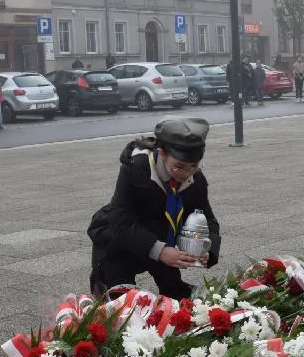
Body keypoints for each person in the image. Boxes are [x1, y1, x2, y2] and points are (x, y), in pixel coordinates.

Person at [87, 117, 220, 299]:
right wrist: (161, 251)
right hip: (120, 240)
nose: (186, 173)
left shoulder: (196, 179)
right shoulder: (135, 169)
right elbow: (121, 221)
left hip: (160, 233)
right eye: (179, 167)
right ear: (162, 153)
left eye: (193, 166)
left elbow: (208, 218)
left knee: (176, 294)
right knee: (121, 302)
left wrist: (208, 249)